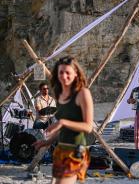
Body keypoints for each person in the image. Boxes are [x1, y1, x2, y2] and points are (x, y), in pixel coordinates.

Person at [33, 56, 94, 184]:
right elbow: (65, 130)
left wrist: (61, 122)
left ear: (75, 73)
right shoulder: (59, 94)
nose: (64, 76)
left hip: (76, 150)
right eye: (61, 72)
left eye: (68, 72)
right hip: (61, 149)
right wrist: (46, 142)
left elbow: (88, 127)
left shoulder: (83, 93)